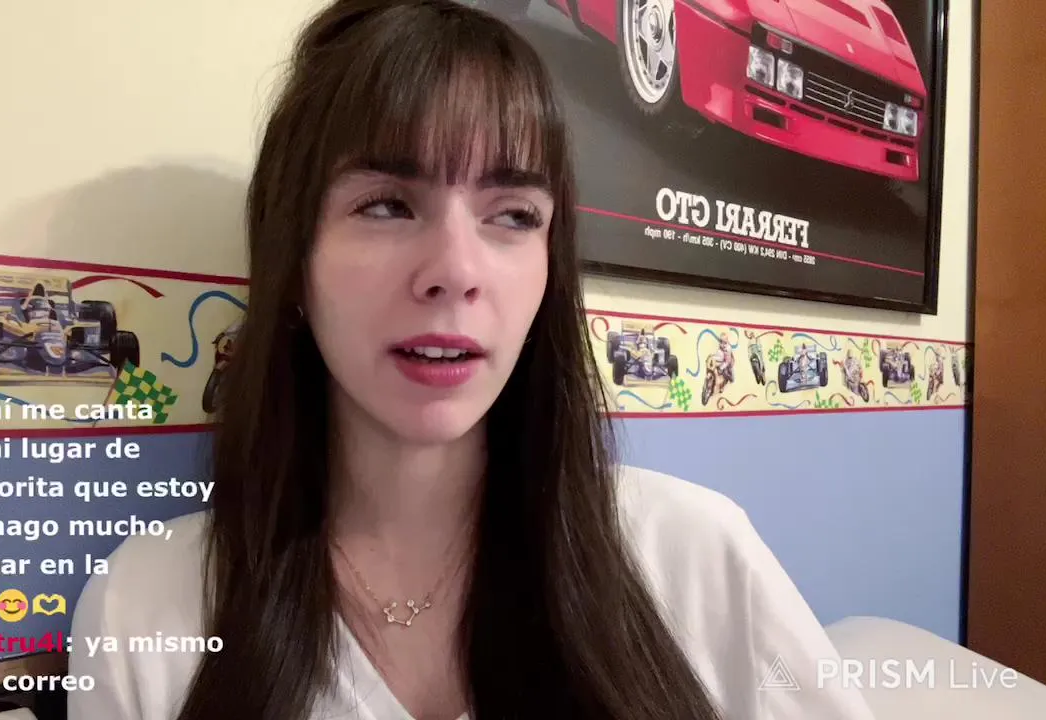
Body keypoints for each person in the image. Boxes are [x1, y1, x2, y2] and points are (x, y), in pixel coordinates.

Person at [68, 1, 875, 719]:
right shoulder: (148, 609)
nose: (456, 270)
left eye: (514, 215)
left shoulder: (694, 556)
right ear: (294, 262)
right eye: (387, 205)